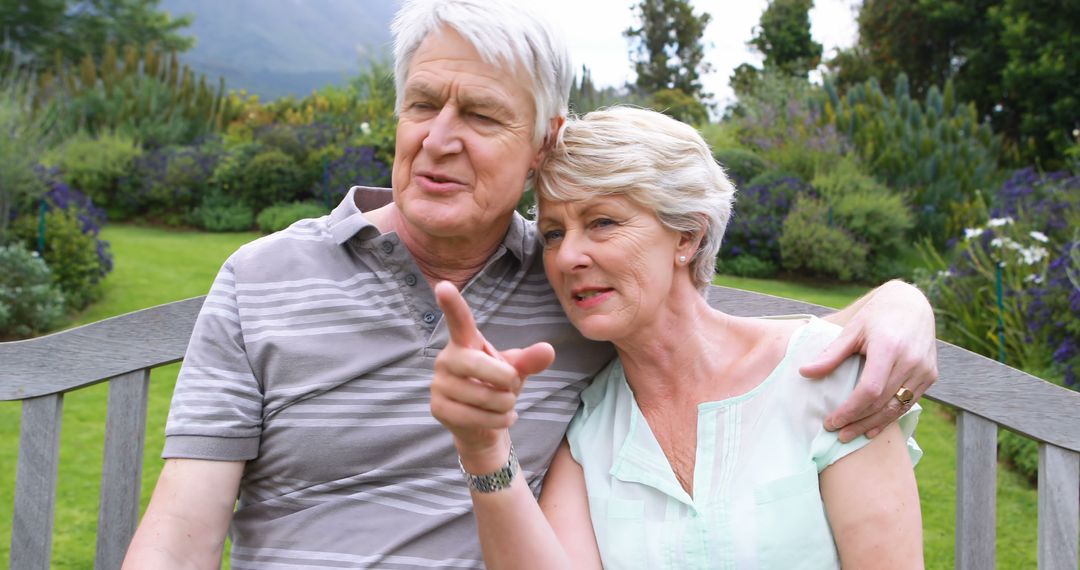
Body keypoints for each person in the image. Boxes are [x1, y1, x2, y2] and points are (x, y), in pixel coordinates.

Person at [123, 1, 937, 568]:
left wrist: (903, 300)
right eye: (422, 106)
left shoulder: (574, 297)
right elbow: (181, 534)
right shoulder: (261, 280)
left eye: (479, 115)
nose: (439, 140)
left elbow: (710, 332)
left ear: (543, 142)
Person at [430, 106, 924, 569]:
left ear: (687, 236)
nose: (566, 257)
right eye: (555, 233)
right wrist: (484, 448)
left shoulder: (826, 378)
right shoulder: (587, 433)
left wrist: (904, 298)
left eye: (603, 222)